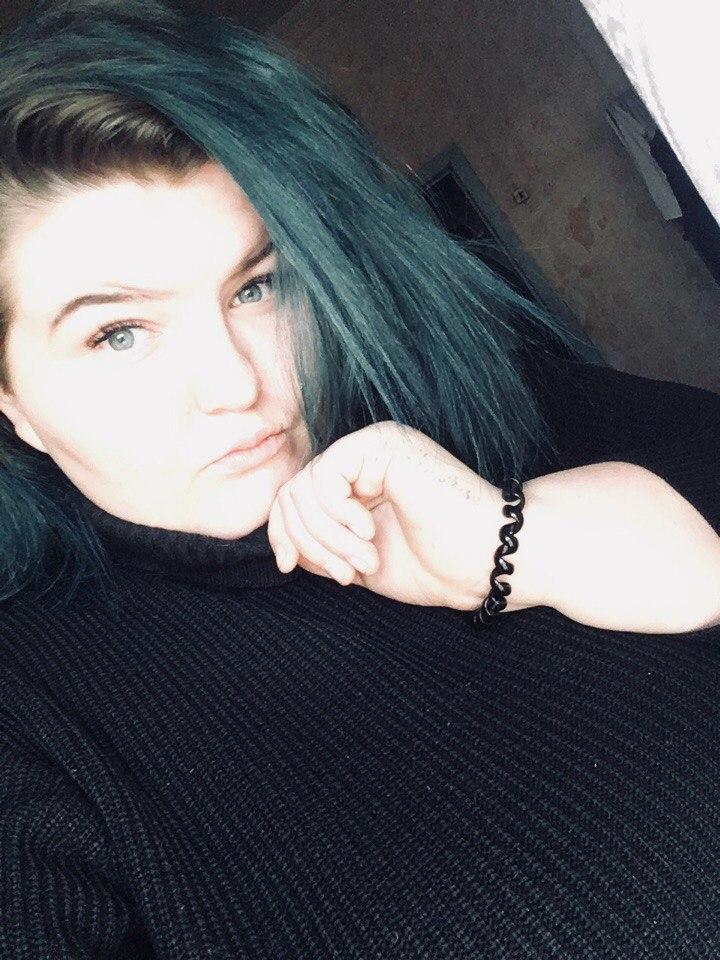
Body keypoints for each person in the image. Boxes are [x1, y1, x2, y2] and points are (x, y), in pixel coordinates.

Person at [0, 1, 718, 957]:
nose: (235, 384)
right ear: (11, 400)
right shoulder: (32, 716)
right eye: (118, 333)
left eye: (256, 286)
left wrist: (523, 539)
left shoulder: (491, 409)